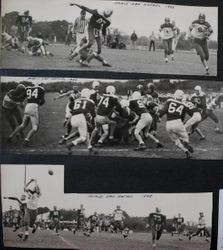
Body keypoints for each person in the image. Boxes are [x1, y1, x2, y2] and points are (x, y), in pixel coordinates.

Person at [159, 89, 194, 159]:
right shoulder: (183, 105)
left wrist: (159, 115)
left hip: (168, 124)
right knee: (186, 137)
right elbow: (182, 118)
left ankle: (186, 152)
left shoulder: (169, 101)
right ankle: (185, 142)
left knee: (176, 141)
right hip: (178, 122)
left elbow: (162, 111)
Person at [66, 88, 96, 154]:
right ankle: (70, 145)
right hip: (81, 118)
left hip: (73, 119)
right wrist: (91, 120)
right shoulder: (90, 101)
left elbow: (70, 106)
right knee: (83, 137)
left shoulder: (76, 100)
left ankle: (90, 148)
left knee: (86, 133)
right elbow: (93, 114)